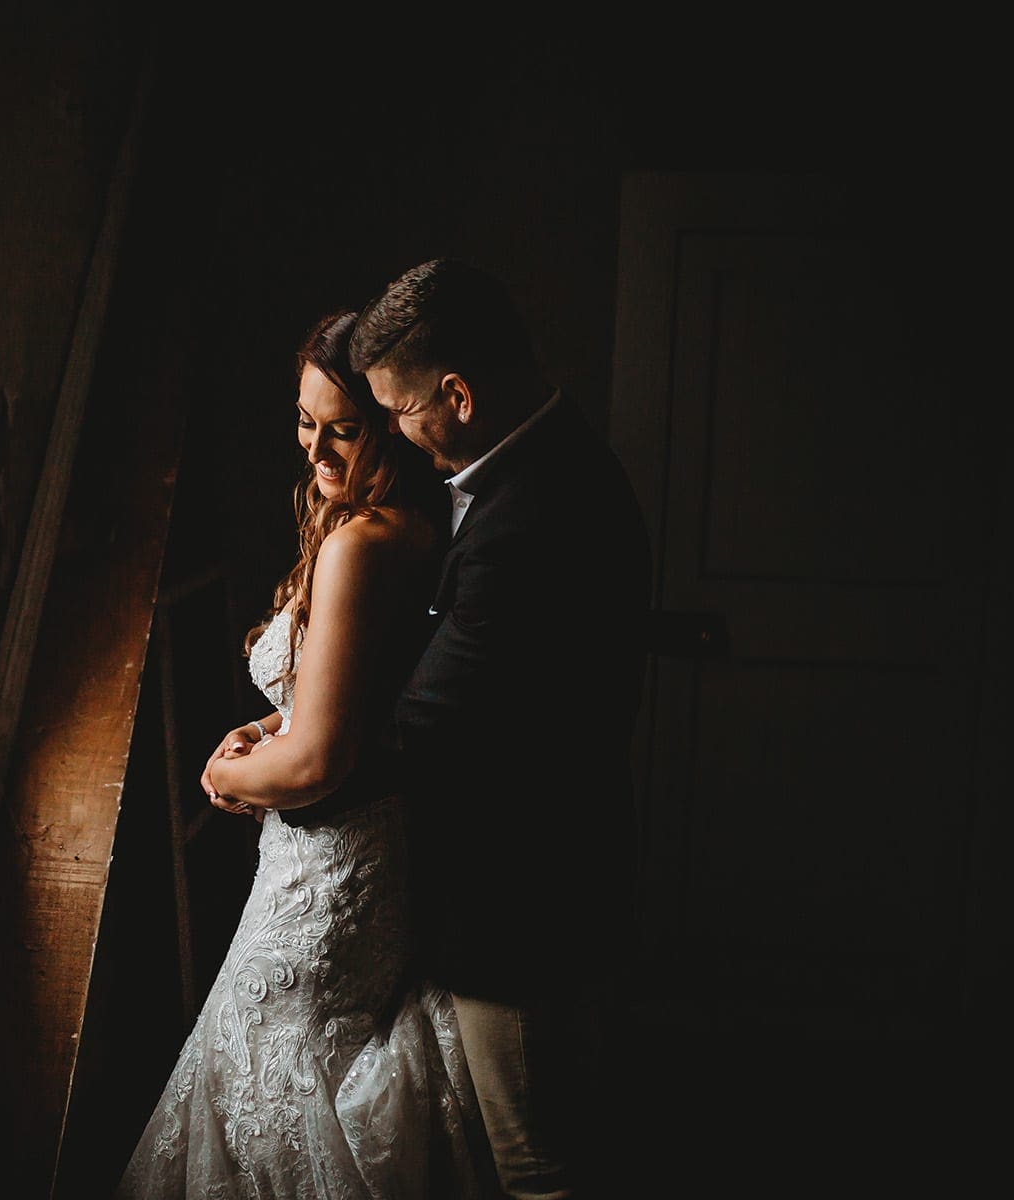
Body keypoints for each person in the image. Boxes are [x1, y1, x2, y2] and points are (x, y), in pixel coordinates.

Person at [116, 310, 501, 1199]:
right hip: (369, 854)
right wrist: (268, 731)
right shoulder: (412, 522)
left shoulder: (363, 544)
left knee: (271, 1070)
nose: (318, 453)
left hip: (326, 874)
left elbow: (319, 761)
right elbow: (359, 703)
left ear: (392, 424)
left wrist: (223, 772)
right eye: (304, 422)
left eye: (346, 430)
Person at [345, 258, 653, 1199]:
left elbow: (429, 725)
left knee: (539, 1171)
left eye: (400, 409)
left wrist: (302, 745)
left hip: (523, 912)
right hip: (554, 883)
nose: (396, 432)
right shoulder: (563, 466)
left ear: (460, 394)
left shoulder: (535, 514)